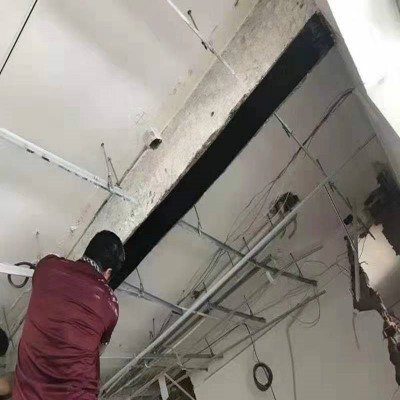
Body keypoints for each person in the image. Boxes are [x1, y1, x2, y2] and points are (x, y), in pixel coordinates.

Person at [6, 230, 124, 400]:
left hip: (29, 386)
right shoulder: (110, 304)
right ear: (108, 273)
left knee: (16, 378)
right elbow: (99, 349)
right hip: (75, 394)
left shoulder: (47, 266)